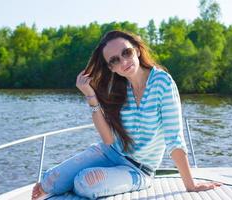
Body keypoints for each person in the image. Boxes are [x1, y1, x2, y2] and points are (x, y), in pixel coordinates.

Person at [32, 30, 222, 200]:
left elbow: (174, 138)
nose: (123, 62)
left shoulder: (162, 83)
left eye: (126, 52)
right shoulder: (117, 87)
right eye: (114, 60)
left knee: (84, 183)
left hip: (138, 170)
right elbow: (108, 140)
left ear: (137, 50)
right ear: (110, 67)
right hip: (108, 153)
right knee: (49, 181)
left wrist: (190, 185)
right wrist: (90, 95)